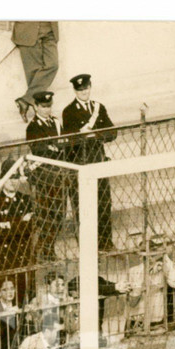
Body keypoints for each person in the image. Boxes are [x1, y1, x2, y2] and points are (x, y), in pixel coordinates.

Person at [62, 74, 118, 252]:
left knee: (103, 203)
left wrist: (94, 135)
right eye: (80, 89)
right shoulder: (69, 111)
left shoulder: (98, 108)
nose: (84, 92)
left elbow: (112, 132)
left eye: (86, 88)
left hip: (98, 161)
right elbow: (72, 140)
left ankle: (106, 242)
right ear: (75, 91)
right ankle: (88, 246)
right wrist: (92, 135)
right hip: (81, 163)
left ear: (90, 87)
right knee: (83, 206)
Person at [25, 90, 69, 262]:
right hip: (44, 177)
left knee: (59, 215)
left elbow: (64, 143)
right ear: (35, 107)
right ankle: (41, 250)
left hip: (58, 175)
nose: (46, 110)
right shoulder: (33, 127)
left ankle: (48, 249)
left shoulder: (56, 123)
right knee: (45, 216)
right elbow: (40, 150)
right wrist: (55, 148)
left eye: (48, 106)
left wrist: (55, 147)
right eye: (43, 107)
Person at [0, 159, 35, 277]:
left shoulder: (26, 200)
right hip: (2, 259)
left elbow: (31, 228)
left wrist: (9, 225)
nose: (13, 181)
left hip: (23, 257)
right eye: (9, 178)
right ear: (2, 179)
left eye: (16, 178)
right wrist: (22, 222)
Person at [11, 22, 59, 123]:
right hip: (28, 31)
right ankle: (41, 117)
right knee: (33, 73)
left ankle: (25, 100)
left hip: (49, 30)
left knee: (53, 65)